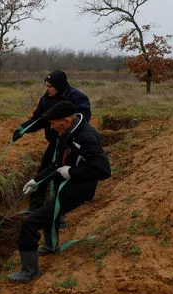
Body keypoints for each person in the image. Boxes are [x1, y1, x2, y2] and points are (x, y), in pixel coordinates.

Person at [8, 101, 111, 283]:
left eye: (54, 123)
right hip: (66, 183)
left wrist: (72, 172)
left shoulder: (87, 138)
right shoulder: (65, 134)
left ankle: (29, 271)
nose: (51, 127)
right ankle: (49, 246)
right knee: (49, 211)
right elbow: (57, 164)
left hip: (79, 189)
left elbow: (103, 170)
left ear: (66, 120)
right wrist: (37, 180)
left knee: (30, 223)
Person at [14, 69, 91, 216]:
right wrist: (23, 129)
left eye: (50, 86)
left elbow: (83, 120)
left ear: (59, 86)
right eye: (46, 86)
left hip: (71, 145)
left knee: (60, 176)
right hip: (54, 143)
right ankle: (35, 207)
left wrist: (67, 137)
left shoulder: (76, 98)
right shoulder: (46, 99)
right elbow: (38, 119)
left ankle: (58, 213)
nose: (47, 89)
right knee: (44, 170)